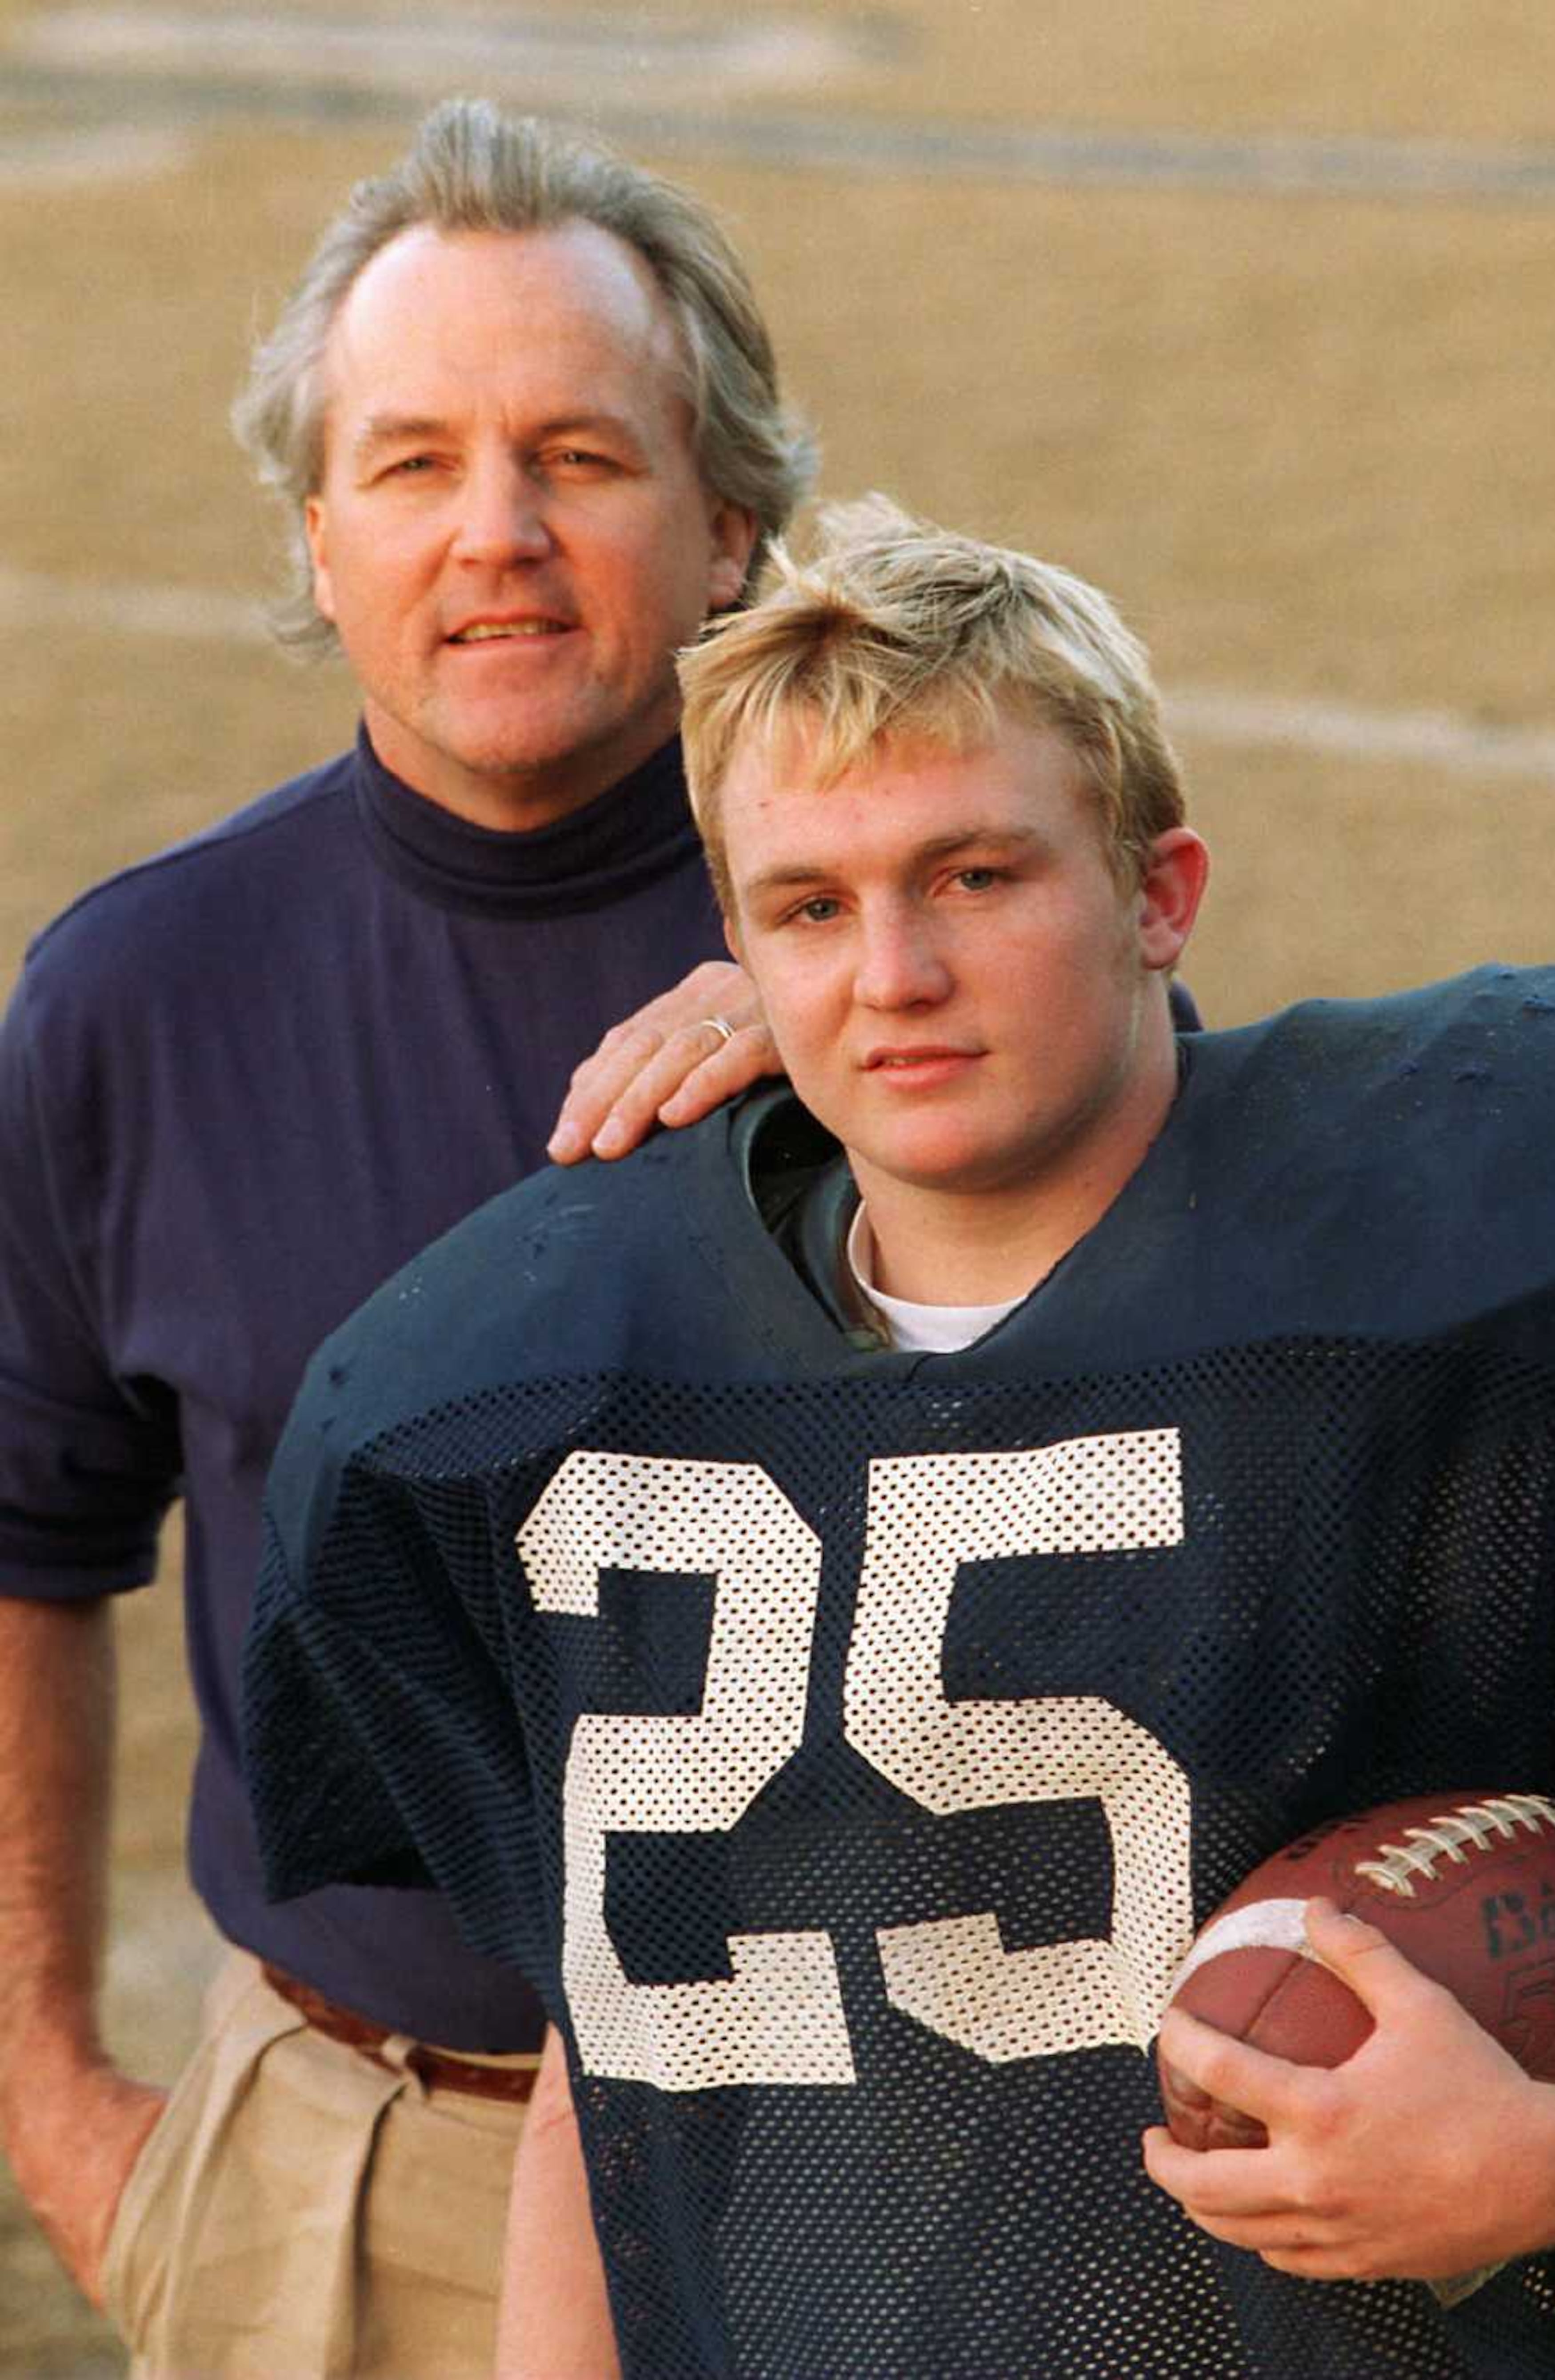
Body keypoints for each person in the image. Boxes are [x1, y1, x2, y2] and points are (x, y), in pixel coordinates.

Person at [245, 502, 1555, 2380]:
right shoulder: (552, 1392)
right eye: (810, 908)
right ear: (738, 959)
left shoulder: (1438, 1296)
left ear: (1160, 895)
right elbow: (606, 2085)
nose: (894, 974)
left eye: (975, 877)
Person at [0, 96, 808, 2379]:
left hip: (875, 2139)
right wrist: (48, 2095)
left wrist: (852, 1009)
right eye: (415, 464)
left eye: (580, 455)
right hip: (349, 2174)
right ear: (320, 535)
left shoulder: (934, 960)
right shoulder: (133, 998)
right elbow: (26, 1545)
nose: (499, 537)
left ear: (731, 517)